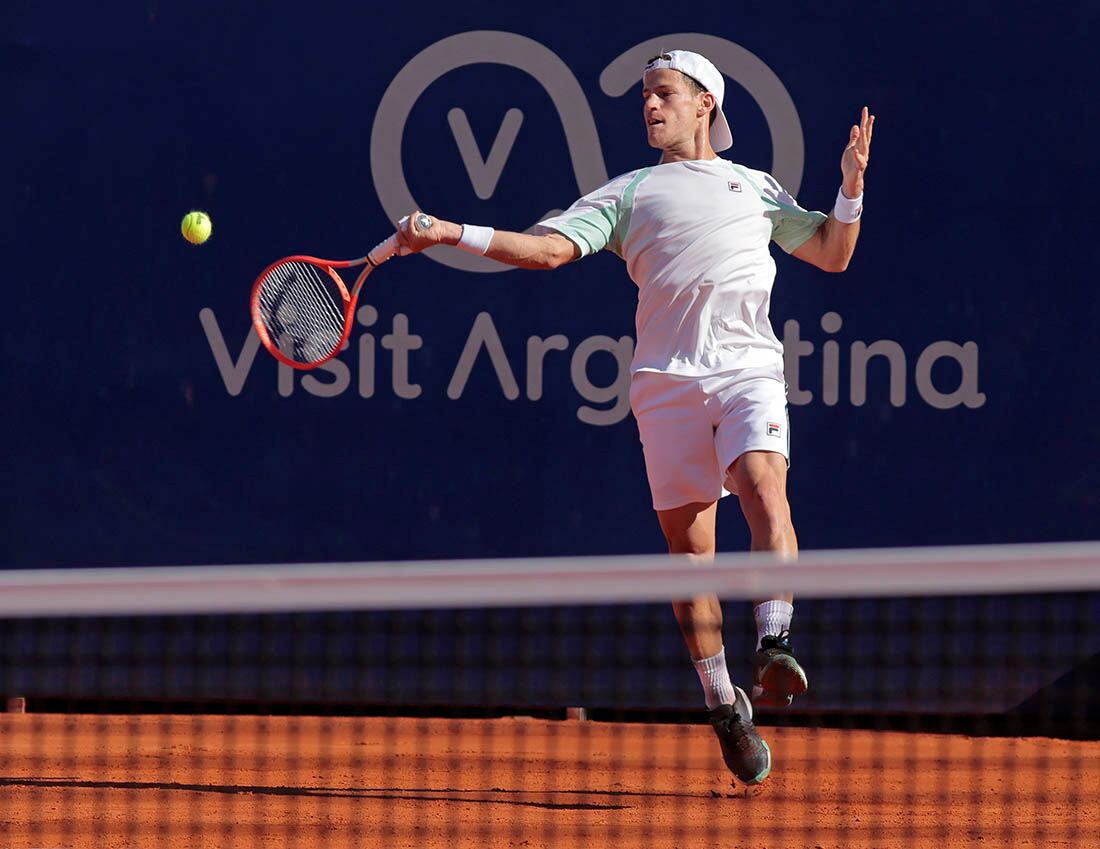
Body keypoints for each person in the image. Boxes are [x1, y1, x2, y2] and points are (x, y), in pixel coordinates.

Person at [395, 49, 874, 786]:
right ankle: (722, 703)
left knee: (762, 485)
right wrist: (454, 230)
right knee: (691, 556)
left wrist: (850, 188)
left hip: (748, 368)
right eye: (646, 96)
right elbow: (548, 250)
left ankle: (774, 641)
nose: (650, 106)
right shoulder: (628, 193)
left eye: (665, 93)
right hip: (665, 385)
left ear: (705, 104)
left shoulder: (755, 188)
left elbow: (834, 253)